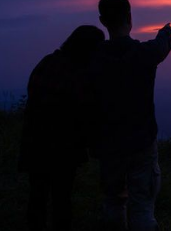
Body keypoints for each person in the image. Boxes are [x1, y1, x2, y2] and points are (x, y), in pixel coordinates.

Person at [90, 0, 171, 231]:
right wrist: (166, 32)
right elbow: (162, 46)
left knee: (113, 203)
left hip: (107, 144)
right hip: (141, 143)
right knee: (143, 208)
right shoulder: (143, 54)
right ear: (129, 17)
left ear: (102, 21)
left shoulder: (94, 57)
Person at [19, 25, 106, 231]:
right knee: (62, 199)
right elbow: (84, 111)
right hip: (62, 148)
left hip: (35, 142)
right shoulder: (78, 74)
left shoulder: (47, 62)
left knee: (37, 196)